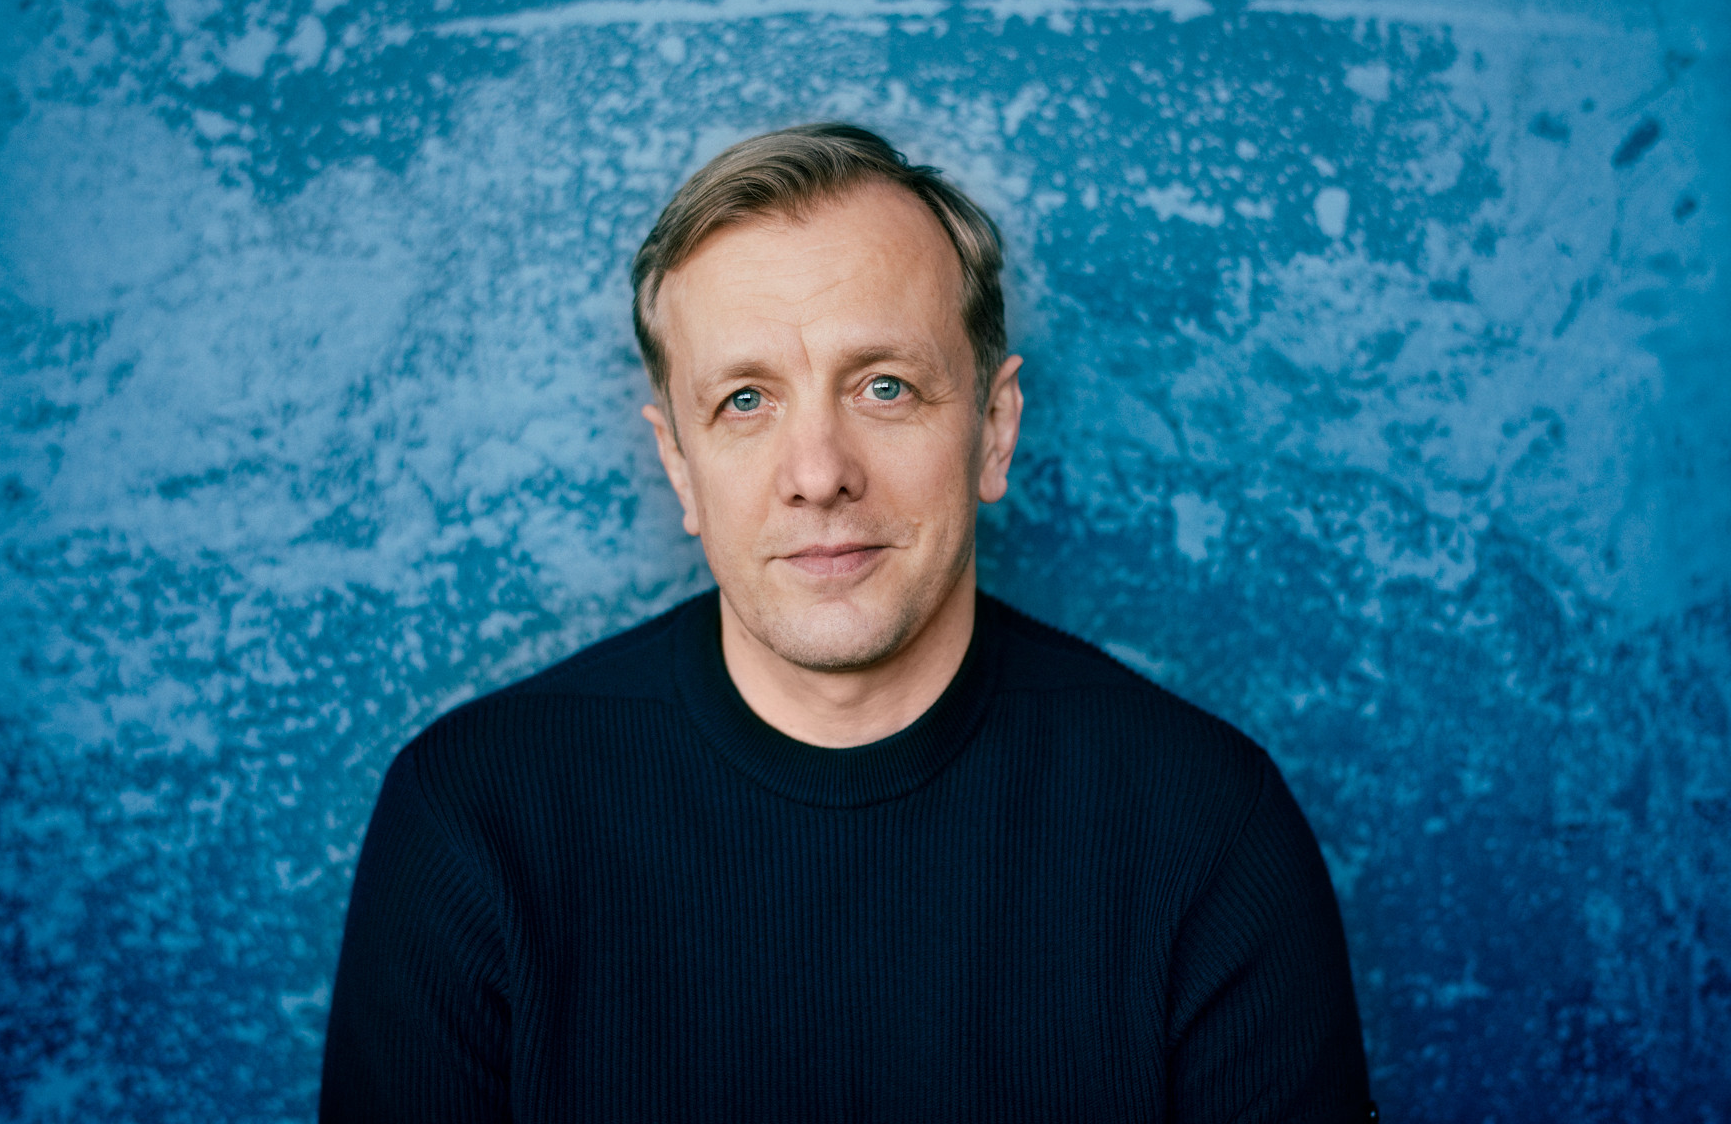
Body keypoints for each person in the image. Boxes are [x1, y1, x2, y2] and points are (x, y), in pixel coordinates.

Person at [319, 123, 1375, 1121]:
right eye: (745, 400)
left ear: (993, 429)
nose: (819, 473)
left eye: (884, 386)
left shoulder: (1207, 828)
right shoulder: (470, 822)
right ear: (678, 465)